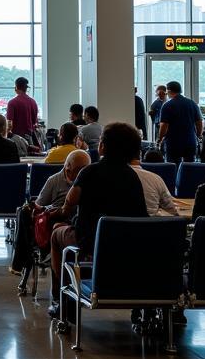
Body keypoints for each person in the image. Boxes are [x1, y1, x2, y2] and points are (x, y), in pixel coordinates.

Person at [48, 122, 147, 317]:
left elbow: (68, 208)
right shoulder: (133, 177)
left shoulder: (88, 172)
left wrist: (52, 214)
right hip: (127, 243)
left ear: (102, 146)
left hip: (90, 242)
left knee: (56, 234)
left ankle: (61, 301)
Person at [157, 80, 203, 164]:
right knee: (189, 168)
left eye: (166, 92)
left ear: (169, 91)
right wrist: (199, 135)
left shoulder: (167, 105)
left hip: (173, 142)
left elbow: (164, 125)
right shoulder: (192, 103)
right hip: (190, 141)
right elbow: (199, 122)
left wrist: (160, 139)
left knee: (173, 167)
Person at [36, 148, 90, 213]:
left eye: (87, 169)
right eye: (81, 170)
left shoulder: (91, 179)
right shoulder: (54, 180)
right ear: (68, 170)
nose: (86, 173)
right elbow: (39, 207)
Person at [131, 149, 178, 216]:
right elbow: (172, 209)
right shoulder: (155, 179)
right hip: (151, 225)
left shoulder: (112, 178)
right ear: (140, 155)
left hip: (119, 225)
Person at [6, 77, 39, 142]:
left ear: (16, 87)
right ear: (26, 88)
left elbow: (9, 123)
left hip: (16, 139)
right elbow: (34, 121)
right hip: (29, 137)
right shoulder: (33, 102)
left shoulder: (12, 102)